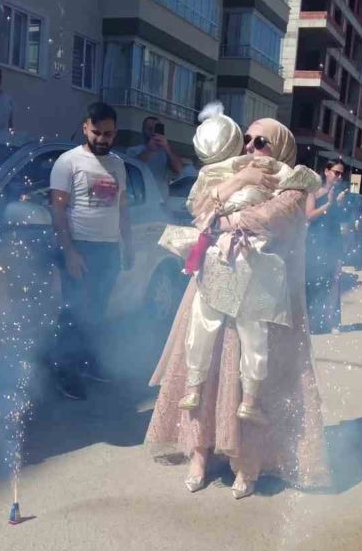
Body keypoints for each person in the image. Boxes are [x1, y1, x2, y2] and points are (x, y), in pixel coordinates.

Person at [145, 117, 330, 499]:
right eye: (246, 139)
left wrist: (220, 220)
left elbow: (266, 220)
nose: (250, 147)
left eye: (261, 142)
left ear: (279, 146)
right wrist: (239, 183)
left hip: (264, 299)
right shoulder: (230, 173)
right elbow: (199, 210)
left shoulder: (294, 181)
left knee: (254, 382)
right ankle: (199, 453)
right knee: (205, 372)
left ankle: (248, 463)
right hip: (215, 285)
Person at [49, 102, 132, 400]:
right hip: (79, 248)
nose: (102, 138)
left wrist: (128, 246)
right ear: (85, 127)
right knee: (74, 313)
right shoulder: (68, 162)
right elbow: (57, 211)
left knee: (96, 312)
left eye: (108, 133)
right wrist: (69, 252)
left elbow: (123, 207)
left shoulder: (118, 164)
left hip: (109, 249)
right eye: (96, 132)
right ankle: (65, 372)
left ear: (115, 133)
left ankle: (88, 363)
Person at [305, 160, 348, 334]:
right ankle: (311, 321)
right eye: (336, 172)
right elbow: (309, 216)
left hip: (334, 242)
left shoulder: (342, 194)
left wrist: (340, 204)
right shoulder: (314, 193)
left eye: (341, 174)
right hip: (315, 242)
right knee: (313, 281)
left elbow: (344, 221)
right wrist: (329, 203)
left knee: (334, 282)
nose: (339, 176)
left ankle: (332, 322)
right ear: (326, 171)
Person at [126, 116, 184, 198]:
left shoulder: (165, 152)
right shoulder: (133, 150)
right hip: (142, 200)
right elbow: (131, 172)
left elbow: (180, 169)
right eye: (150, 129)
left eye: (157, 129)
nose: (153, 132)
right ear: (143, 131)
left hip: (161, 201)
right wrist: (150, 150)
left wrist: (167, 147)